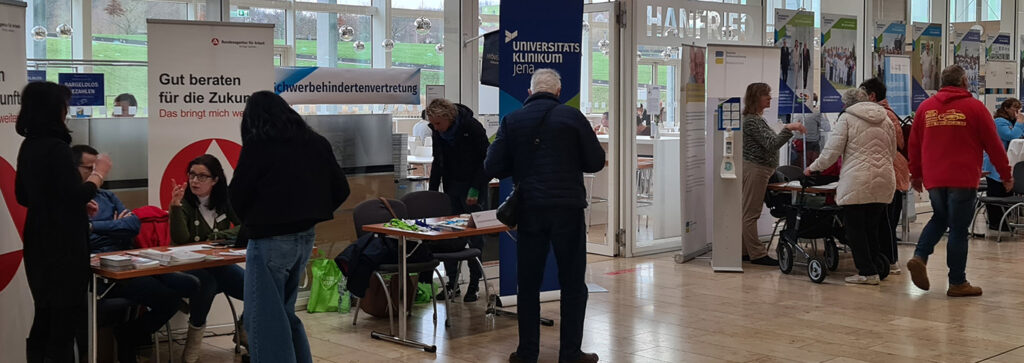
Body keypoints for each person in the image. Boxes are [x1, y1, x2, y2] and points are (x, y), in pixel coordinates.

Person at [485, 68, 605, 363]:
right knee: (573, 284)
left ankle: (527, 353)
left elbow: (493, 166)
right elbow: (595, 161)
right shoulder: (572, 117)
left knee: (528, 284)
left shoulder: (512, 120)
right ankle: (570, 353)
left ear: (529, 92)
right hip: (568, 210)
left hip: (531, 211)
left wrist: (522, 161)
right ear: (558, 93)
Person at [230, 91, 350, 363]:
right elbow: (341, 188)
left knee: (263, 321)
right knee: (284, 313)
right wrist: (311, 212)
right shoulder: (316, 142)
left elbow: (237, 194)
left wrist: (255, 217)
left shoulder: (259, 145)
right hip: (305, 238)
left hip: (269, 240)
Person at [72, 145, 199, 363]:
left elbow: (132, 225)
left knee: (191, 284)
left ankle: (129, 334)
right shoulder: (72, 200)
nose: (96, 174)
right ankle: (129, 337)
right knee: (168, 298)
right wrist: (112, 225)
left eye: (98, 168)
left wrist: (96, 227)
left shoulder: (107, 196)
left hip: (131, 260)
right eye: (89, 169)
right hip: (103, 271)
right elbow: (83, 233)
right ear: (73, 169)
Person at [15, 81, 109, 362]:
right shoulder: (56, 148)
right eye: (64, 106)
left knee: (44, 316)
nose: (67, 112)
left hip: (38, 240)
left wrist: (68, 206)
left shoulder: (28, 146)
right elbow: (73, 194)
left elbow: (24, 196)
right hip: (64, 246)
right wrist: (98, 174)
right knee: (64, 323)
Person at [907, 65, 1013, 297]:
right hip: (963, 178)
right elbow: (994, 146)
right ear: (965, 81)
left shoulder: (925, 108)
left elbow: (913, 145)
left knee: (940, 217)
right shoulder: (975, 108)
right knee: (957, 228)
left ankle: (919, 256)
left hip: (935, 178)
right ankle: (957, 282)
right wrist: (1005, 175)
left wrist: (916, 174)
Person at [806, 88, 897, 285]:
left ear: (846, 104)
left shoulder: (846, 119)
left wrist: (812, 168)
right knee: (872, 227)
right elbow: (893, 152)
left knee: (855, 229)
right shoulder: (886, 119)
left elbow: (832, 152)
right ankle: (874, 266)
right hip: (884, 180)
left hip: (857, 180)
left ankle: (866, 272)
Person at [168, 154, 247, 362]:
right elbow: (181, 240)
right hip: (188, 266)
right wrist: (174, 207)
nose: (195, 181)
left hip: (217, 264)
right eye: (192, 175)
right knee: (208, 283)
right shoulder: (183, 201)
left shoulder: (225, 200)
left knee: (253, 286)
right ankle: (192, 348)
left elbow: (244, 227)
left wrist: (217, 237)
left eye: (202, 176)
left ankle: (245, 326)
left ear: (215, 180)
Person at [424, 97, 491, 302]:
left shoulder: (472, 127)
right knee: (450, 235)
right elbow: (438, 161)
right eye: (433, 124)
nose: (436, 128)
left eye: (438, 123)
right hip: (451, 185)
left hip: (474, 187)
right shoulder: (438, 131)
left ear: (448, 117)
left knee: (475, 235)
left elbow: (486, 160)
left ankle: (474, 284)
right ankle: (452, 284)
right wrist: (432, 191)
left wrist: (475, 188)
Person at [741, 82, 805, 266]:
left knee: (748, 212)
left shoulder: (756, 120)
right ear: (756, 98)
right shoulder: (752, 121)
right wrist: (788, 129)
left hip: (759, 169)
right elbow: (772, 144)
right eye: (766, 95)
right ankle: (757, 254)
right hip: (755, 169)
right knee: (750, 213)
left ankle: (746, 251)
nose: (770, 98)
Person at [860, 77, 911, 276]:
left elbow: (897, 142)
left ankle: (890, 261)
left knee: (887, 221)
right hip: (890, 172)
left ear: (871, 96)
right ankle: (887, 259)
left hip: (892, 173)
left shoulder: (885, 116)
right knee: (885, 220)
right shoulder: (886, 114)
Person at [982, 98, 1024, 234]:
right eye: (1015, 109)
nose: (1017, 113)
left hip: (1007, 164)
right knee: (996, 192)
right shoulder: (999, 122)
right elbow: (1011, 136)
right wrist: (1019, 123)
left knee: (1006, 194)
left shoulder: (1012, 122)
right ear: (1006, 108)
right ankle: (996, 222)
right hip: (994, 165)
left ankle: (1005, 222)